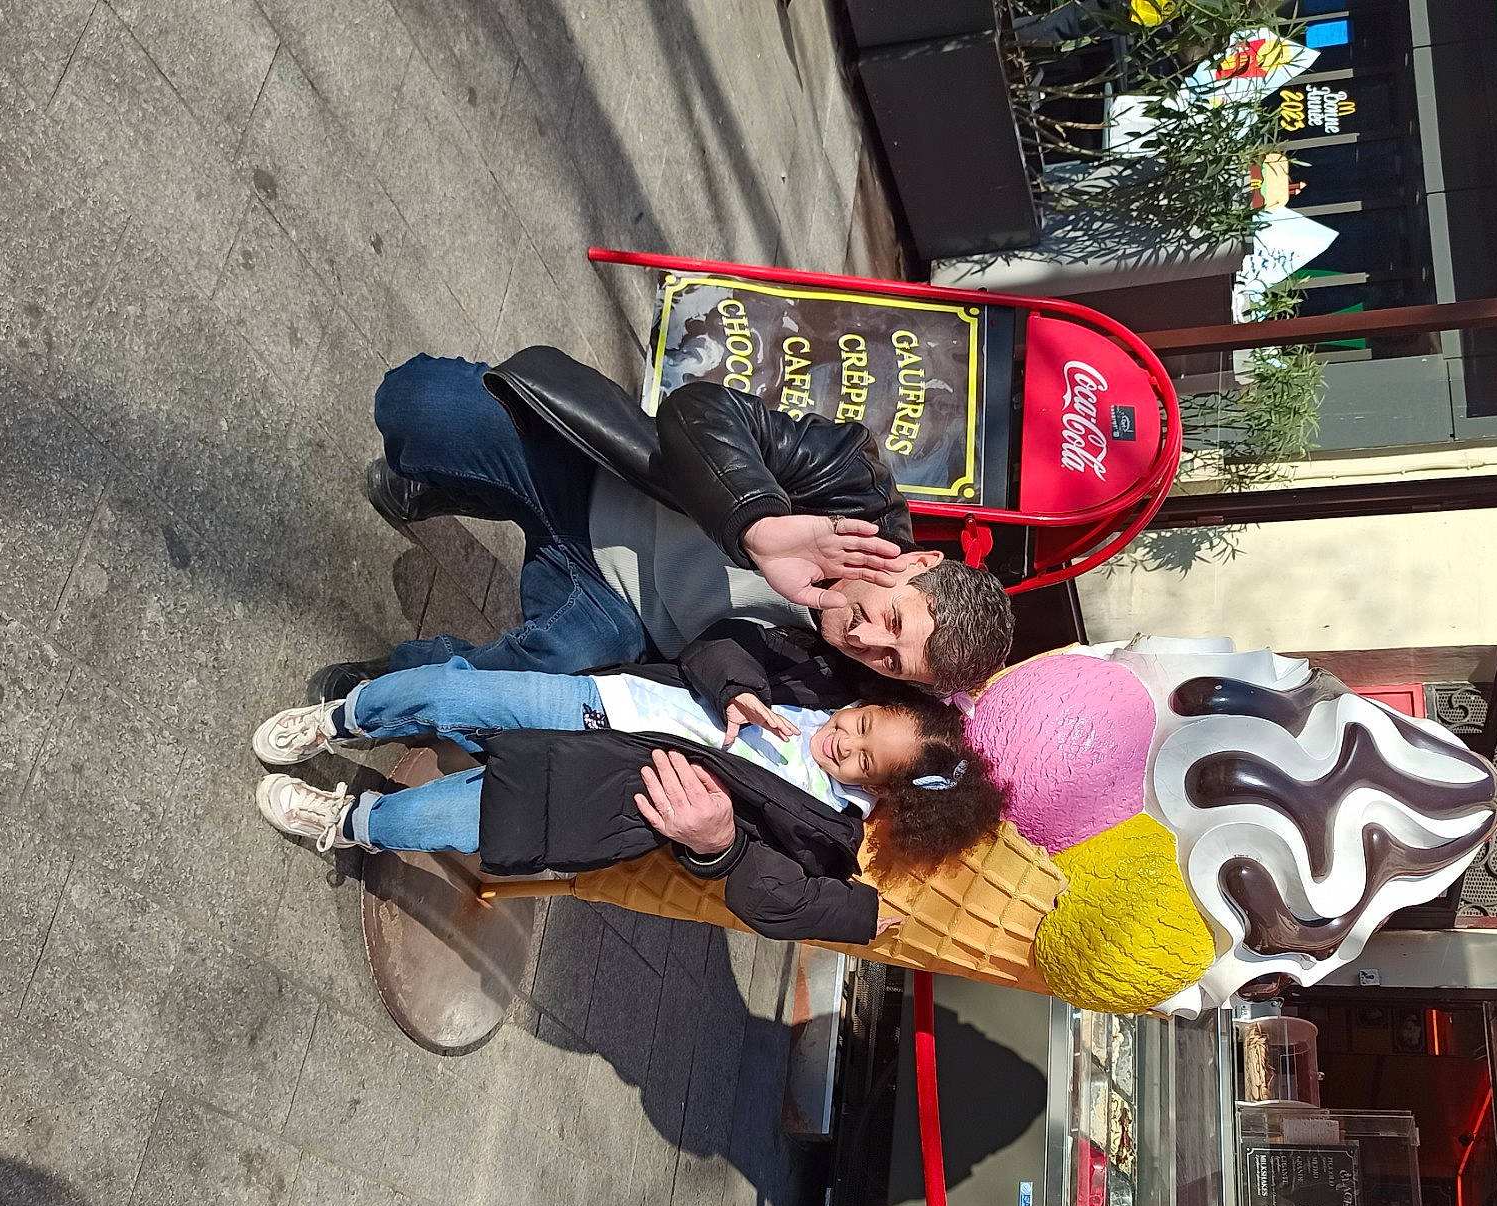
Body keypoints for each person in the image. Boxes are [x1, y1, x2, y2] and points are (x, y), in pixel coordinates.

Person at [313, 350, 1014, 720]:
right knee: (416, 402)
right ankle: (450, 482)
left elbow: (719, 667)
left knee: (532, 680)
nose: (868, 641)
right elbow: (699, 411)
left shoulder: (842, 680)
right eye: (893, 617)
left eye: (892, 661)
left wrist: (734, 685)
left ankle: (394, 688)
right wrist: (760, 524)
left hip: (616, 612)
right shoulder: (852, 482)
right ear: (919, 560)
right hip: (599, 474)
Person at [249, 659, 1006, 944]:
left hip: (597, 793)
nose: (846, 742)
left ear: (882, 794)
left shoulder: (828, 828)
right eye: (864, 723)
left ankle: (350, 822)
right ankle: (344, 718)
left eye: (868, 762)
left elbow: (782, 900)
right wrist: (731, 679)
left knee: (436, 817)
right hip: (595, 702)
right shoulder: (814, 685)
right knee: (451, 691)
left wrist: (724, 847)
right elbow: (720, 640)